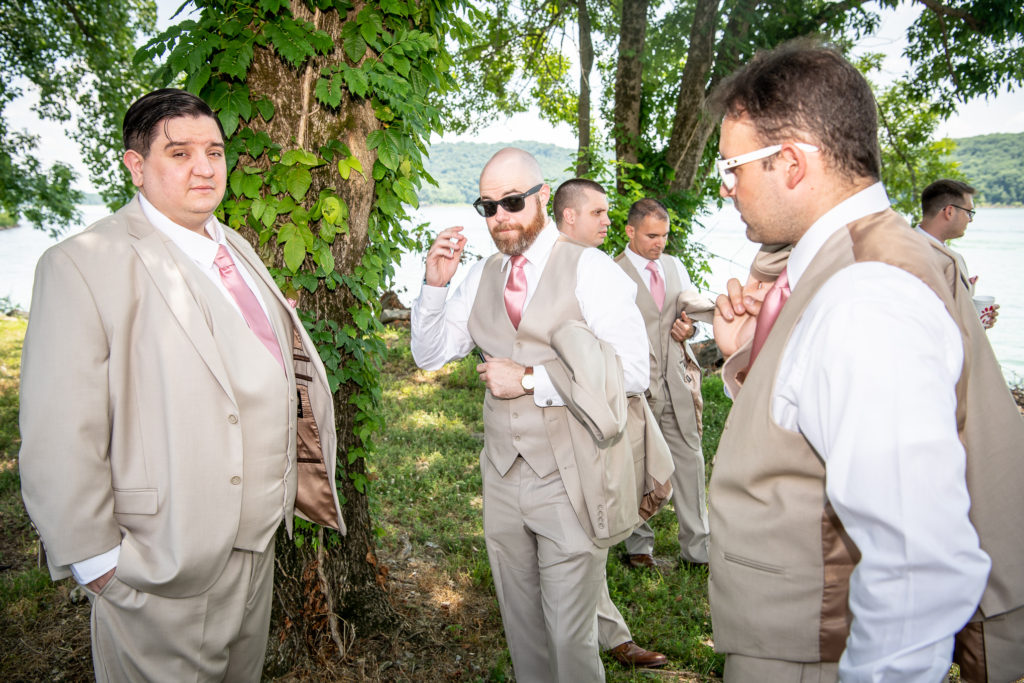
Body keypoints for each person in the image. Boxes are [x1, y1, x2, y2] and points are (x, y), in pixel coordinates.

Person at [705, 41, 1024, 682]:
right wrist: (749, 356)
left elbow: (916, 565)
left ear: (791, 163)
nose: (725, 185)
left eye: (733, 166)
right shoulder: (858, 258)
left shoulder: (865, 296)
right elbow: (818, 422)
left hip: (814, 651)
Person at [19, 88, 345, 682]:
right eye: (180, 152)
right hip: (160, 564)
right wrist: (99, 562)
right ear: (136, 166)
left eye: (215, 151)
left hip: (255, 550)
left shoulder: (235, 247)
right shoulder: (81, 264)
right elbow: (58, 428)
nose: (204, 167)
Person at [411, 149, 650, 681]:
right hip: (501, 476)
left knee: (570, 637)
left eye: (513, 202)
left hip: (571, 476)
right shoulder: (479, 276)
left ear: (542, 196)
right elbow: (428, 356)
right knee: (522, 628)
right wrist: (433, 285)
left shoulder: (591, 270)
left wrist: (530, 381)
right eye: (488, 206)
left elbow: (634, 373)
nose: (501, 218)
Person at [552, 177, 669, 669]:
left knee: (592, 535)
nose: (607, 221)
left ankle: (607, 633)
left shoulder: (598, 271)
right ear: (568, 216)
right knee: (584, 539)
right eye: (598, 213)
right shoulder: (544, 269)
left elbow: (631, 369)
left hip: (604, 420)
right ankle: (610, 637)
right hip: (554, 430)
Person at [614, 198, 715, 569]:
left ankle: (697, 549)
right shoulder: (612, 273)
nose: (660, 244)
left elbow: (687, 316)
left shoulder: (674, 266)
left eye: (665, 235)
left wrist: (690, 328)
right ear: (630, 231)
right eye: (651, 235)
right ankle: (638, 545)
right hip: (637, 389)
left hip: (677, 383)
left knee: (690, 461)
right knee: (637, 465)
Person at [918, 178, 998, 328]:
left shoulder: (956, 257)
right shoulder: (908, 252)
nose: (970, 220)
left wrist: (976, 319)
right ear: (949, 211)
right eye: (969, 212)